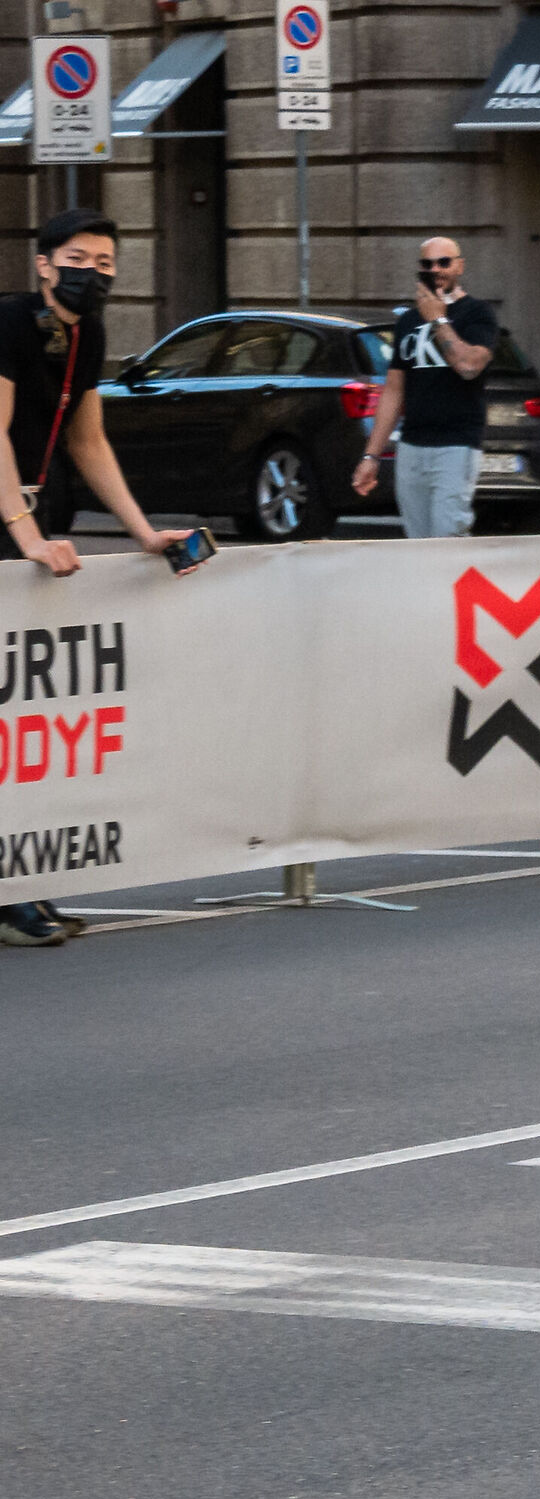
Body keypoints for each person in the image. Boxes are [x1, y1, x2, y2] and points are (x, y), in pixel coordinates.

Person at [0, 207, 197, 949]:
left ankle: (21, 881)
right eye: (79, 258)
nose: (93, 272)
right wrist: (24, 537)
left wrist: (144, 531)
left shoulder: (88, 335)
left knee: (25, 720)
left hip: (37, 523)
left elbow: (88, 439)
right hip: (13, 523)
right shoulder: (10, 323)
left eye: (107, 262)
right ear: (43, 263)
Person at [353, 234, 500, 537]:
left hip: (456, 444)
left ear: (460, 266)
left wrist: (438, 320)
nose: (435, 269)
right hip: (412, 446)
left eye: (444, 262)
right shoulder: (407, 320)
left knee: (448, 538)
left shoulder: (477, 313)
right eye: (427, 264)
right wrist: (371, 456)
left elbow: (469, 366)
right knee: (417, 544)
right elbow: (394, 390)